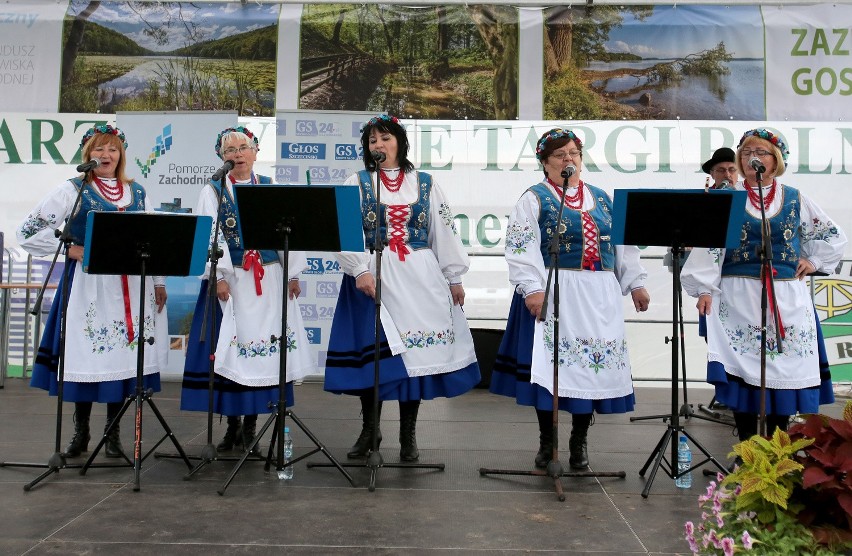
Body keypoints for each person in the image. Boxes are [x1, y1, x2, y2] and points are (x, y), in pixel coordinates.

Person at [490, 128, 650, 470]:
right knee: (552, 370)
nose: (569, 159)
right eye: (560, 155)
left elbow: (623, 246)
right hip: (556, 292)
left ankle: (579, 442)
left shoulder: (603, 199)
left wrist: (635, 283)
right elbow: (520, 247)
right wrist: (532, 289)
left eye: (574, 153)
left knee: (589, 369)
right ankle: (548, 444)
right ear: (545, 163)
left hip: (598, 297)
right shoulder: (534, 199)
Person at [324, 114, 480, 462]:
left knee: (415, 355)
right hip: (373, 278)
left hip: (420, 276)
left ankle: (408, 434)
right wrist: (359, 269)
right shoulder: (357, 182)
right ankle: (370, 429)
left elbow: (444, 231)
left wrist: (454, 277)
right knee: (376, 356)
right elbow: (344, 231)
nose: (378, 145)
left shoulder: (425, 183)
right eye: (372, 140)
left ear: (400, 142)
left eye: (385, 138)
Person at [682, 128, 847, 443]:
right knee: (745, 378)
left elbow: (833, 236)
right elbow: (709, 249)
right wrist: (703, 289)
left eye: (759, 152)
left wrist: (813, 262)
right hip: (737, 296)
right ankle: (747, 451)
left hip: (785, 296)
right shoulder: (726, 199)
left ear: (776, 160)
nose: (750, 158)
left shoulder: (795, 197)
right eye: (745, 152)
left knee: (782, 374)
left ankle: (776, 452)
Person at [17, 124, 168, 459]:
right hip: (89, 286)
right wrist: (71, 249)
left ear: (121, 155)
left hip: (131, 282)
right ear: (88, 155)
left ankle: (112, 434)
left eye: (112, 149)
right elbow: (28, 230)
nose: (106, 155)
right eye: (99, 149)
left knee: (126, 358)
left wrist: (158, 281)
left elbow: (152, 237)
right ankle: (81, 431)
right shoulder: (72, 190)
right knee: (87, 355)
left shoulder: (138, 192)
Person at [180, 125, 315, 455]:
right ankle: (233, 427)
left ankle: (253, 424)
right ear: (221, 157)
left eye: (243, 147)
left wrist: (293, 272)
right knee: (233, 352)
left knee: (266, 354)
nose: (237, 154)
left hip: (268, 280)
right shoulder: (213, 191)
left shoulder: (270, 187)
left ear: (256, 151)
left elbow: (288, 232)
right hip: (234, 282)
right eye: (229, 150)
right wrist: (220, 275)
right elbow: (212, 233)